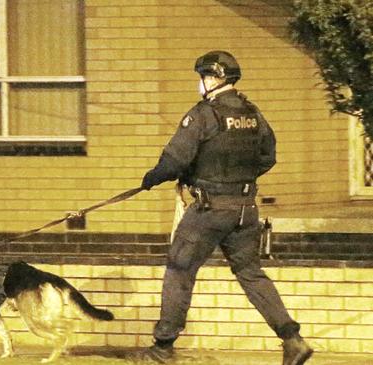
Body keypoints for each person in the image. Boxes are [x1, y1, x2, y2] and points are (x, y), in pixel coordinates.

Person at [129, 51, 313, 365]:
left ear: (214, 78)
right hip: (245, 209)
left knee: (179, 271)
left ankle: (161, 348)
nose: (200, 84)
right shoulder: (253, 113)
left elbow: (175, 160)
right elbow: (268, 156)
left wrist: (151, 178)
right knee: (250, 273)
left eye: (202, 77)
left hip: (208, 210)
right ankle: (292, 339)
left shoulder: (203, 114)